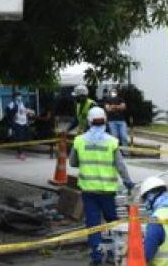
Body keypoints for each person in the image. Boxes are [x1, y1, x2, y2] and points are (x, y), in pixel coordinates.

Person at [71, 106, 134, 265]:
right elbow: (120, 166)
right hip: (107, 192)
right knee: (113, 223)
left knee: (93, 225)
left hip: (89, 191)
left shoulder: (79, 140)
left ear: (89, 122)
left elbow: (73, 162)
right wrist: (128, 182)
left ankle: (97, 258)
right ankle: (114, 254)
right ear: (105, 121)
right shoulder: (111, 142)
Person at [7, 92, 31, 160]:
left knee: (22, 138)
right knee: (19, 138)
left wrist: (28, 112)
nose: (20, 97)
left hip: (24, 123)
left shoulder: (22, 104)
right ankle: (20, 153)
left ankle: (19, 152)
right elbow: (9, 112)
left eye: (20, 96)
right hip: (17, 123)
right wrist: (14, 113)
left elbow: (24, 112)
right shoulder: (12, 104)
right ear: (15, 97)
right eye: (18, 96)